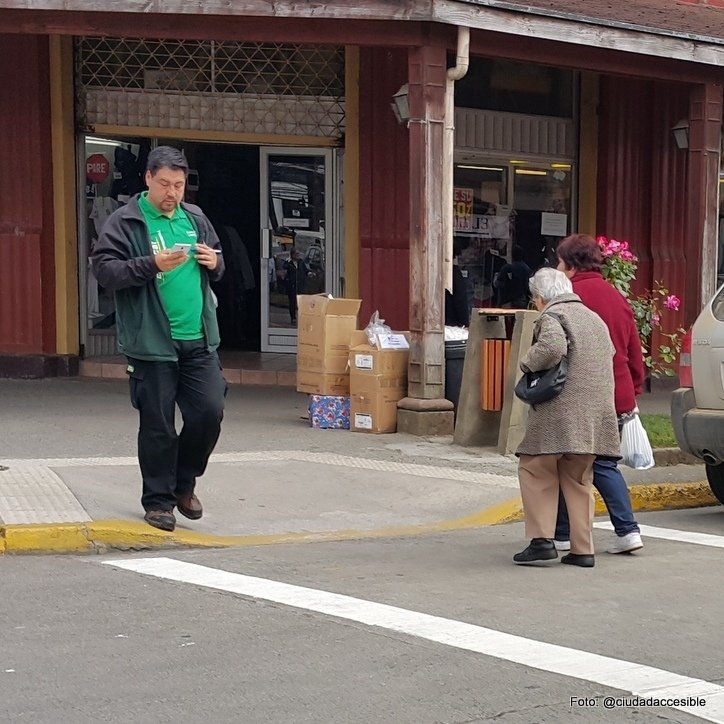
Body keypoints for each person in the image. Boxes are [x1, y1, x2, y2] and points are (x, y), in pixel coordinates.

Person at [91, 146, 227, 533]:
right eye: (165, 184)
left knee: (209, 412)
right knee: (158, 426)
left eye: (179, 185)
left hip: (199, 337)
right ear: (147, 178)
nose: (172, 193)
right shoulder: (127, 221)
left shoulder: (196, 218)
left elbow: (220, 263)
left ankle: (184, 484)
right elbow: (105, 270)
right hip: (151, 342)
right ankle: (159, 501)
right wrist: (152, 264)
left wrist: (214, 263)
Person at [514, 268, 620, 568]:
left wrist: (526, 363)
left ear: (540, 297)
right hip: (594, 416)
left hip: (559, 412)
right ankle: (583, 549)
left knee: (535, 469)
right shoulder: (594, 318)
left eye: (534, 298)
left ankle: (541, 543)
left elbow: (552, 347)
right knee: (579, 479)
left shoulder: (553, 316)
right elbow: (607, 354)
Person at [554, 233, 645, 554]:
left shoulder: (568, 298)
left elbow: (556, 349)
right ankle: (625, 531)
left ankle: (567, 533)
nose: (557, 267)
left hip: (582, 396)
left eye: (560, 262)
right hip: (617, 393)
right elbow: (634, 349)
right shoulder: (616, 296)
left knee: (570, 463)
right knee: (603, 463)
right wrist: (632, 390)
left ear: (570, 265)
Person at [284, 248, 309, 324]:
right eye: (296, 254)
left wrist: (309, 274)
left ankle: (301, 317)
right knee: (292, 302)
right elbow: (284, 270)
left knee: (301, 303)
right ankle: (293, 318)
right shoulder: (289, 263)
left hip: (300, 285)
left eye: (298, 254)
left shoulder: (301, 262)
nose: (298, 255)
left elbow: (305, 270)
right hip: (292, 285)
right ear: (292, 255)